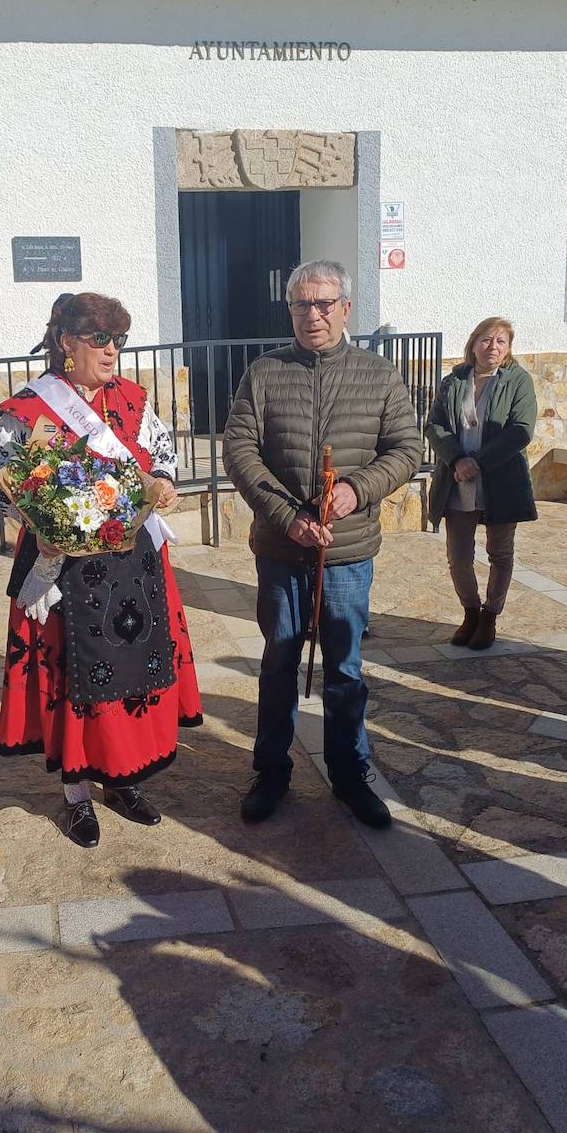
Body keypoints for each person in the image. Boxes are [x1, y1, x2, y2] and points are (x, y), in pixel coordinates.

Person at [0, 292, 202, 848]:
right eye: (100, 340)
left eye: (119, 341)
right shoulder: (26, 411)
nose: (112, 352)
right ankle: (78, 793)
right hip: (66, 570)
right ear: (66, 343)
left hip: (131, 562)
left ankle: (124, 777)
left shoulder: (131, 399)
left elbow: (160, 453)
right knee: (75, 679)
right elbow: (4, 482)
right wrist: (48, 519)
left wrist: (162, 483)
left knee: (132, 667)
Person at [222, 259, 421, 829]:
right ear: (290, 310)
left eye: (324, 304)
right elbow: (240, 452)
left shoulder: (378, 375)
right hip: (283, 547)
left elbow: (406, 449)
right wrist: (286, 516)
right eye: (302, 305)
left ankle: (350, 772)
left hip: (347, 549)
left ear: (345, 309)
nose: (312, 315)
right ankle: (271, 769)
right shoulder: (263, 373)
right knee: (280, 658)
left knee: (345, 666)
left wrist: (356, 491)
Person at [425, 317, 538, 651]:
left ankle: (490, 616)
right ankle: (471, 612)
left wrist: (480, 462)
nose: (493, 347)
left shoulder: (518, 380)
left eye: (501, 341)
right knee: (458, 555)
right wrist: (458, 459)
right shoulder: (454, 380)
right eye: (487, 339)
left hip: (500, 481)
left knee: (499, 553)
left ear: (508, 348)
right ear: (474, 343)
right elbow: (435, 425)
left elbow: (521, 429)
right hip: (458, 478)